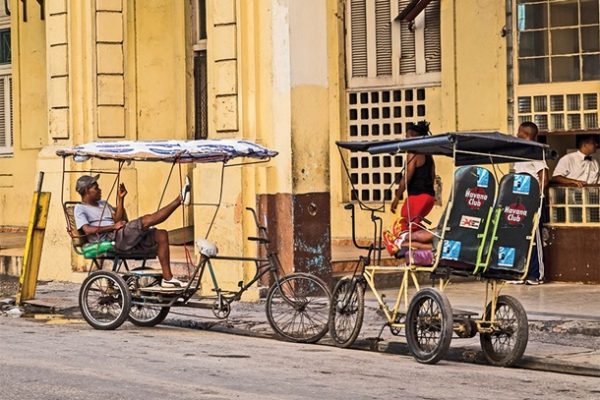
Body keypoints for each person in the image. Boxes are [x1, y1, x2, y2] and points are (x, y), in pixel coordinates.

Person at [74, 174, 191, 288]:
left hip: (120, 234)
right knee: (145, 220)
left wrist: (121, 199)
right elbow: (87, 230)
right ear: (86, 191)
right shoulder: (80, 208)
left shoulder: (103, 204)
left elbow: (118, 219)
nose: (100, 190)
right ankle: (179, 199)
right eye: (96, 188)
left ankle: (168, 279)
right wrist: (112, 227)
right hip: (107, 239)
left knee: (161, 235)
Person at [383, 120, 436, 256]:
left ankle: (404, 246)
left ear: (414, 137)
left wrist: (396, 197)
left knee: (404, 228)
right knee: (413, 228)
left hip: (417, 197)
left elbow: (406, 178)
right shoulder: (429, 156)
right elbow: (432, 176)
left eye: (408, 136)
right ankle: (425, 247)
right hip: (429, 197)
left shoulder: (412, 153)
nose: (406, 139)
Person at [511, 122, 549, 285]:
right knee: (520, 236)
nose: (516, 134)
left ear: (525, 133)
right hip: (519, 200)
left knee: (534, 236)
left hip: (534, 200)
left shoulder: (535, 150)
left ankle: (536, 274)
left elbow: (544, 176)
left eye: (519, 132)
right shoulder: (519, 152)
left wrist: (536, 196)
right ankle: (522, 272)